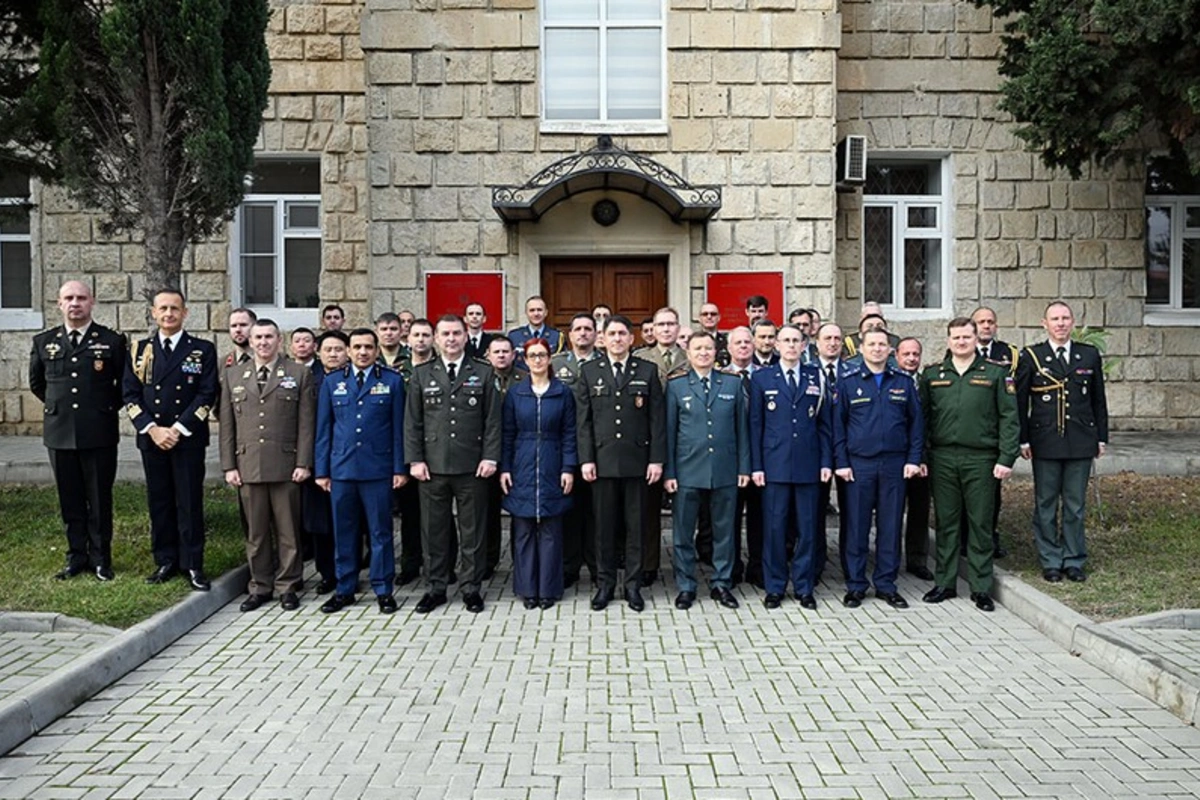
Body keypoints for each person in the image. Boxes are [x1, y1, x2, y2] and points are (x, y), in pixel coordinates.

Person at [919, 317, 1019, 613]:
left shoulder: (996, 374)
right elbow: (923, 419)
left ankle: (980, 587)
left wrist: (1006, 458)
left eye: (966, 336)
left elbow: (1009, 419)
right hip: (943, 458)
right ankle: (945, 583)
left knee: (980, 523)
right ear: (948, 341)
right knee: (947, 522)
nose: (961, 342)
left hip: (982, 459)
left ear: (976, 339)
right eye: (956, 337)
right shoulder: (933, 374)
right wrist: (922, 456)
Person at [29, 281, 126, 582]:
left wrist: (98, 410)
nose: (75, 303)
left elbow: (124, 387)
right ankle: (76, 557)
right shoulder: (44, 342)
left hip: (98, 431)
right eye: (69, 298)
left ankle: (100, 560)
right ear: (59, 303)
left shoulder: (111, 341)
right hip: (59, 433)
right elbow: (37, 384)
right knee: (69, 499)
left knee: (99, 498)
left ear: (92, 302)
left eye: (81, 298)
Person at [405, 315, 502, 614]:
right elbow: (413, 423)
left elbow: (492, 421)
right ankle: (436, 587)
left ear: (465, 336)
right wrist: (415, 460)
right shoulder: (421, 375)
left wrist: (490, 456)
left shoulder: (483, 373)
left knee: (473, 530)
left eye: (456, 333)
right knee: (434, 531)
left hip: (472, 465)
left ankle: (471, 588)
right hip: (432, 467)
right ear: (436, 337)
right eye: (445, 333)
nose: (451, 339)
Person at [123, 290, 218, 591]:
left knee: (189, 501)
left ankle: (193, 564)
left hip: (186, 439)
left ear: (185, 313)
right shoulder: (139, 349)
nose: (168, 314)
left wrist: (176, 429)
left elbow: (206, 394)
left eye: (174, 309)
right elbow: (130, 394)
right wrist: (153, 429)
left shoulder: (202, 349)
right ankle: (165, 560)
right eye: (162, 308)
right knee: (159, 500)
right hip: (152, 439)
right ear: (153, 313)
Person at [219, 319, 316, 612]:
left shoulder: (299, 373)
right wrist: (229, 466)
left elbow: (306, 423)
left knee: (288, 531)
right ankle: (260, 586)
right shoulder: (233, 375)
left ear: (279, 340)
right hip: (247, 465)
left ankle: (288, 585)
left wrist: (304, 462)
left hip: (286, 464)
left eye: (269, 337)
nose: (263, 342)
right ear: (249, 340)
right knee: (256, 533)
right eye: (257, 337)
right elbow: (227, 425)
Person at [314, 328, 408, 615]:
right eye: (357, 347)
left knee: (380, 533)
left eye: (368, 347)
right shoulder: (332, 382)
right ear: (349, 350)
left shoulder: (392, 381)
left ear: (377, 351)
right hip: (341, 470)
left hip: (378, 470)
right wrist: (322, 470)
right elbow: (324, 430)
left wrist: (398, 468)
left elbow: (398, 429)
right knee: (344, 532)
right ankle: (345, 588)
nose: (363, 352)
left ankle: (383, 589)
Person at [575, 315, 666, 613]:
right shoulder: (589, 371)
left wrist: (656, 460)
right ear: (603, 338)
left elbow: (657, 421)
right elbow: (583, 423)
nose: (617, 339)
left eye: (622, 334)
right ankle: (604, 585)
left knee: (635, 528)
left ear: (631, 338)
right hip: (601, 463)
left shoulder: (647, 370)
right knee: (603, 528)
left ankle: (633, 585)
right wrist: (586, 458)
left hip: (638, 462)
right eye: (611, 333)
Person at [1016, 300, 1108, 583]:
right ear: (1044, 324)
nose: (1060, 323)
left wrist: (1101, 437)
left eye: (1065, 318)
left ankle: (1073, 559)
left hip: (1081, 439)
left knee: (1075, 504)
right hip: (1045, 441)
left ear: (1073, 322)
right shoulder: (1032, 356)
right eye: (1054, 319)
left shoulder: (1088, 355)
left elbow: (1098, 400)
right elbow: (1020, 402)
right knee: (1045, 503)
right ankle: (1050, 560)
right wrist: (1023, 439)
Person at [833, 329, 924, 609]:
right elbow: (837, 427)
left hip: (894, 465)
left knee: (890, 526)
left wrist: (913, 459)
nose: (876, 349)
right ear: (861, 349)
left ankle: (886, 584)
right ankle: (856, 585)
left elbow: (916, 425)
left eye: (882, 345)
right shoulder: (847, 383)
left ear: (890, 351)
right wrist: (842, 463)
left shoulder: (903, 383)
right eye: (871, 344)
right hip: (859, 465)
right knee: (856, 527)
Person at [664, 332, 749, 610]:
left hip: (725, 468)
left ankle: (721, 583)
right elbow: (669, 433)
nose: (703, 353)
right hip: (688, 469)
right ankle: (687, 586)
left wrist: (744, 468)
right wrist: (670, 473)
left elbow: (742, 431)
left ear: (716, 352)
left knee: (724, 531)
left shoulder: (733, 384)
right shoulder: (676, 386)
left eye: (708, 348)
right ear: (688, 353)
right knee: (683, 532)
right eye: (697, 349)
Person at [749, 324, 831, 609]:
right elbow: (755, 426)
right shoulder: (762, 378)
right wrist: (756, 467)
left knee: (808, 530)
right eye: (786, 340)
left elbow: (824, 425)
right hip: (774, 466)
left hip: (808, 466)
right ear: (777, 345)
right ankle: (774, 586)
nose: (791, 345)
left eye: (796, 340)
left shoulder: (815, 377)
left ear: (804, 345)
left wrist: (825, 462)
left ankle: (804, 586)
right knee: (774, 529)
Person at [500, 338, 577, 610]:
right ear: (525, 359)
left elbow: (570, 433)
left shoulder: (562, 393)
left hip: (552, 460)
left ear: (549, 358)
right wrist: (505, 468)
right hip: (521, 462)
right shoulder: (515, 394)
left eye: (542, 355)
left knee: (551, 531)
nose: (537, 360)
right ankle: (526, 589)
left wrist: (568, 468)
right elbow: (507, 434)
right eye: (532, 355)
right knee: (523, 531)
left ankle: (548, 589)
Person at [635, 307, 689, 587]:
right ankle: (648, 564)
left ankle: (686, 564)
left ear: (679, 328)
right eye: (661, 324)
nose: (666, 329)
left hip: (684, 442)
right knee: (647, 509)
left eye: (671, 324)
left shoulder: (690, 357)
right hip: (649, 442)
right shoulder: (640, 359)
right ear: (653, 330)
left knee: (685, 509)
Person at [552, 313, 600, 587]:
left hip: (597, 449)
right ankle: (569, 567)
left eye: (588, 329)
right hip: (565, 449)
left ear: (595, 334)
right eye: (578, 329)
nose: (583, 333)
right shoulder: (556, 364)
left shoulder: (604, 364)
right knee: (568, 511)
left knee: (596, 513)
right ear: (569, 335)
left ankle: (596, 566)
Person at [967, 305, 1019, 559]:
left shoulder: (1010, 354)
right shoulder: (961, 351)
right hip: (972, 431)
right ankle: (968, 539)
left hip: (994, 437)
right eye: (981, 322)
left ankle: (991, 537)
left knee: (991, 496)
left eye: (991, 321)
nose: (986, 325)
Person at [302, 330, 351, 594]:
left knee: (348, 522)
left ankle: (349, 571)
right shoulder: (307, 379)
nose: (333, 354)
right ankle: (327, 574)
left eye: (339, 349)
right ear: (318, 352)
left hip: (348, 460)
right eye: (328, 349)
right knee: (321, 523)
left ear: (348, 352)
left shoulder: (356, 378)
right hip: (317, 461)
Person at [721, 326, 762, 586]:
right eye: (738, 343)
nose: (744, 346)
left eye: (748, 342)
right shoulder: (721, 377)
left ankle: (757, 569)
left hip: (760, 460)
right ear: (728, 348)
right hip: (729, 460)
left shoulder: (767, 377)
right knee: (729, 520)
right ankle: (732, 569)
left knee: (760, 519)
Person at [484, 335, 527, 578]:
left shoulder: (525, 379)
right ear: (488, 355)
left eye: (505, 351)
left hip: (518, 453)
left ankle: (520, 561)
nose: (501, 355)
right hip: (488, 454)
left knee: (519, 509)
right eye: (496, 351)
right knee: (487, 511)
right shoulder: (480, 378)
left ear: (514, 354)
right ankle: (489, 561)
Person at [813, 321, 849, 582]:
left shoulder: (853, 371)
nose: (833, 343)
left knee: (851, 510)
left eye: (837, 338)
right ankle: (817, 562)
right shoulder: (808, 372)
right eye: (827, 338)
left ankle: (849, 563)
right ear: (817, 343)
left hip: (849, 451)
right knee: (815, 510)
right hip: (817, 452)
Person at [895, 336, 934, 580]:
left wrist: (922, 457)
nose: (911, 358)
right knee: (892, 511)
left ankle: (917, 560)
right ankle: (888, 559)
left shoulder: (928, 382)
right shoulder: (890, 381)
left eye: (915, 354)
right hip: (895, 458)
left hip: (923, 459)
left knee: (919, 510)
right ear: (896, 356)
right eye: (906, 354)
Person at [509, 295, 562, 363]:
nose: (536, 314)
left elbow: (561, 362)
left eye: (539, 310)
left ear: (546, 312)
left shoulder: (557, 336)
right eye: (532, 310)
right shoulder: (514, 336)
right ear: (526, 313)